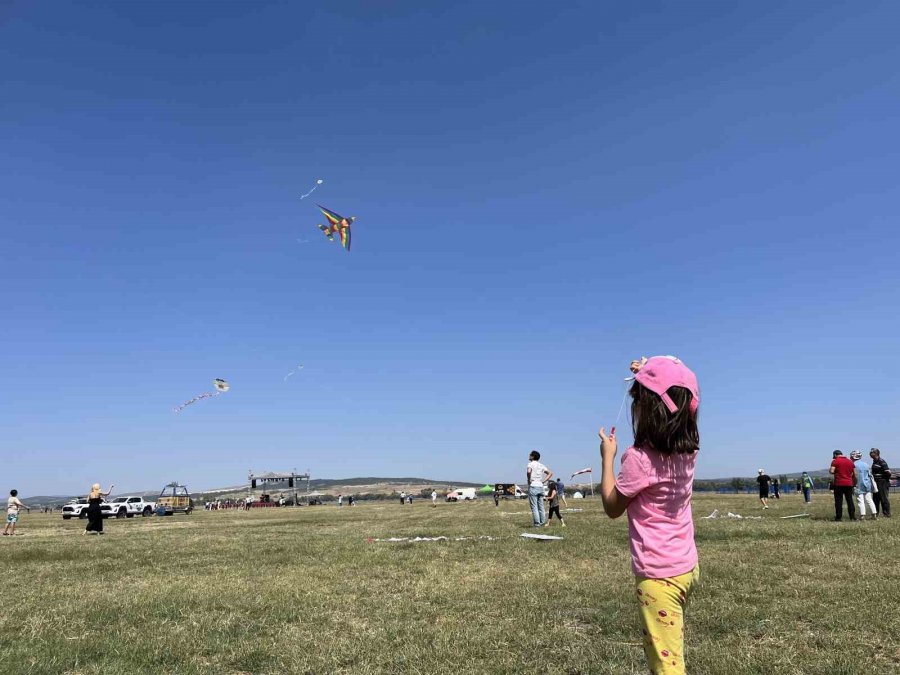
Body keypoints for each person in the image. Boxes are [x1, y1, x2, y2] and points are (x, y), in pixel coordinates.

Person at [599, 355, 701, 675]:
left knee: (667, 665)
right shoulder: (689, 452)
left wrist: (607, 458)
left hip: (658, 578)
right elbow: (678, 391)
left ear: (645, 409)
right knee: (668, 651)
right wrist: (647, 371)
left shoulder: (638, 460)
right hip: (686, 567)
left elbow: (612, 507)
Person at [526, 450, 552, 527]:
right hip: (540, 486)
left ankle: (537, 524)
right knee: (541, 506)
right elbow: (550, 473)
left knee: (534, 506)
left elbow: (528, 472)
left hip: (533, 485)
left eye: (530, 455)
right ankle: (542, 522)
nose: (529, 456)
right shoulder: (541, 465)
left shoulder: (530, 464)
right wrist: (543, 481)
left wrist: (529, 480)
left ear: (533, 456)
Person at [829, 450, 856, 522]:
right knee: (850, 500)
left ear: (835, 455)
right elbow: (854, 473)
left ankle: (838, 518)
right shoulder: (850, 461)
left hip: (839, 483)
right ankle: (852, 517)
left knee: (838, 501)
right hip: (849, 483)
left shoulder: (835, 461)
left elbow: (832, 471)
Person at [851, 450, 877, 520]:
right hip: (867, 484)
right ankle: (874, 514)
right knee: (869, 500)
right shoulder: (866, 464)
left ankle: (862, 516)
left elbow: (854, 475)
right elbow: (869, 475)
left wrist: (853, 484)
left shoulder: (853, 465)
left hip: (858, 485)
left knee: (860, 500)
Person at [870, 448, 891, 517]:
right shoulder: (874, 461)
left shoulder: (881, 461)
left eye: (872, 452)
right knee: (876, 498)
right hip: (876, 482)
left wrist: (885, 479)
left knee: (883, 498)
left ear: (876, 453)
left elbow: (888, 472)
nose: (870, 454)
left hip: (882, 482)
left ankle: (887, 513)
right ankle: (876, 513)